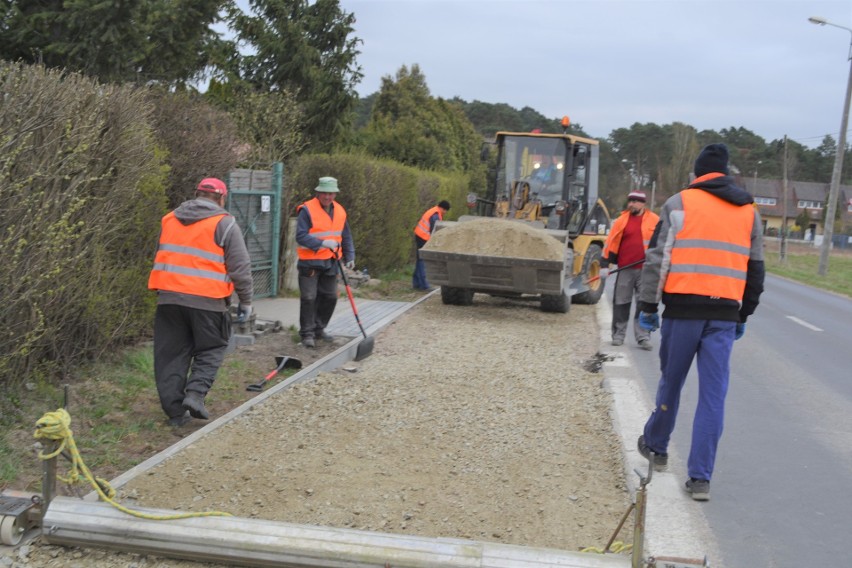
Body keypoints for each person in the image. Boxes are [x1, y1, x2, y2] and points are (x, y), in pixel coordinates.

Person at [635, 143, 765, 502]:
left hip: (682, 312)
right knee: (713, 396)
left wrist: (648, 304)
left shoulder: (679, 203)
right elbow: (755, 270)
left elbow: (657, 259)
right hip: (723, 316)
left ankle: (657, 447)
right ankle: (700, 479)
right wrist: (744, 313)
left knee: (671, 383)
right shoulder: (749, 211)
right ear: (726, 174)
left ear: (697, 174)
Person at [148, 177, 253, 427]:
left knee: (170, 355)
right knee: (212, 347)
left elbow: (162, 255)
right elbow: (240, 267)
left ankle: (175, 414)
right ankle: (195, 394)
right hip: (208, 301)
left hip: (169, 299)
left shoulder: (169, 219)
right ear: (221, 198)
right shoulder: (225, 224)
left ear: (196, 194)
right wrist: (246, 301)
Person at [295, 176, 355, 349]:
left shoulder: (340, 211)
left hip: (331, 261)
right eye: (324, 193)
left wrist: (350, 255)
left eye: (331, 194)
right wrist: (321, 243)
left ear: (335, 194)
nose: (327, 197)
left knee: (330, 296)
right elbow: (300, 235)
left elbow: (346, 235)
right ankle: (307, 333)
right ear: (318, 193)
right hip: (310, 262)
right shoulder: (307, 210)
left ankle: (318, 329)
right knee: (309, 297)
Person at [601, 189, 659, 350]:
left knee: (643, 304)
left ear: (643, 203)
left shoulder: (655, 220)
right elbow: (611, 243)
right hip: (625, 269)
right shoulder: (621, 220)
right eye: (630, 201)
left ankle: (643, 337)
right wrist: (605, 264)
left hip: (646, 270)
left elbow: (661, 243)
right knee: (621, 303)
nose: (631, 204)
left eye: (635, 201)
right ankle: (618, 335)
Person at [412, 200, 451, 290]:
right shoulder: (436, 215)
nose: (445, 213)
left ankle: (416, 283)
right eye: (445, 211)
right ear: (443, 208)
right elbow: (434, 231)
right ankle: (424, 285)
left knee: (419, 259)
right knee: (423, 260)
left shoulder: (433, 211)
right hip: (423, 238)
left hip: (419, 235)